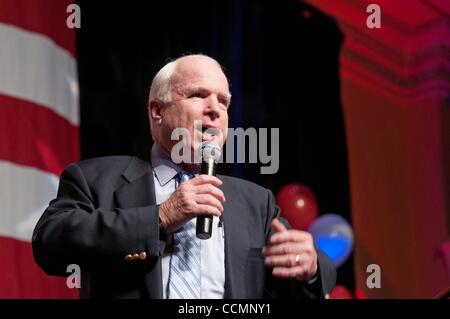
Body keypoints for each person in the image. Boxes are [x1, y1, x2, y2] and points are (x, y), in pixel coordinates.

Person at [32, 54, 336, 299]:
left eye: (224, 101)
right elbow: (50, 244)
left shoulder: (256, 202)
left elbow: (310, 276)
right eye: (198, 95)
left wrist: (309, 266)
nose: (214, 110)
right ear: (157, 111)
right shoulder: (96, 179)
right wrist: (161, 217)